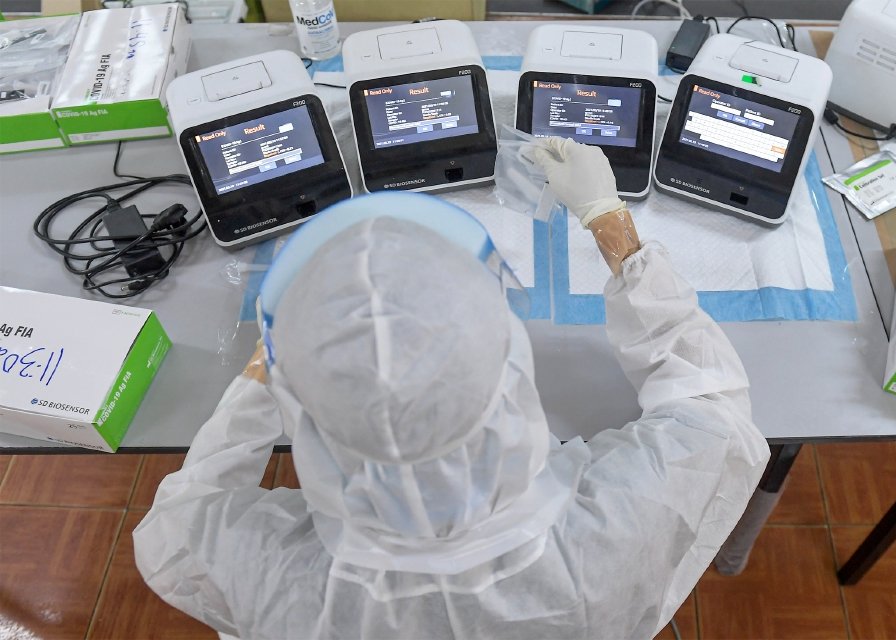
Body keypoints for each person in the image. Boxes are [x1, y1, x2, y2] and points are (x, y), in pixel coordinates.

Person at [134, 137, 770, 639]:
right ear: (508, 359)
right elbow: (711, 403)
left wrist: (264, 373)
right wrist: (609, 220)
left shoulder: (266, 573)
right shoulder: (617, 529)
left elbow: (177, 528)